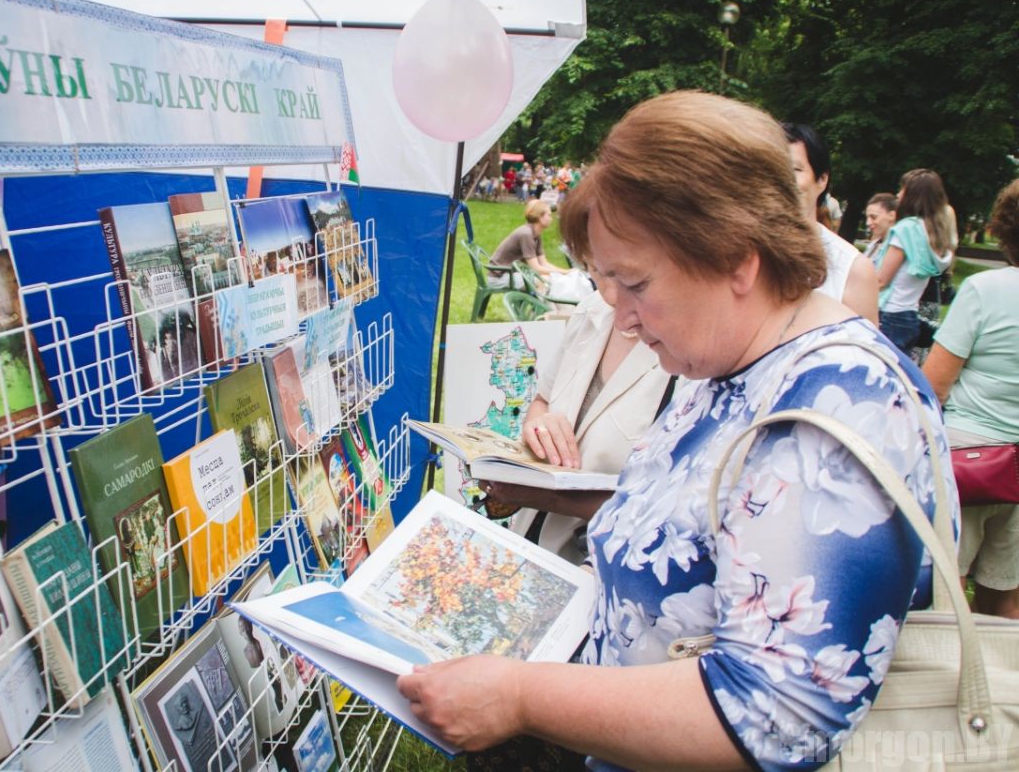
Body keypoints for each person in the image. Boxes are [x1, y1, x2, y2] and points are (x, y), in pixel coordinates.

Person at [398, 91, 953, 771]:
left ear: (737, 260)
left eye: (636, 284)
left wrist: (521, 698)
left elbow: (779, 717)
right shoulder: (729, 364)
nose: (622, 319)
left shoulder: (841, 405)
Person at [500, 187, 673, 564]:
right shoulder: (590, 312)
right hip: (531, 543)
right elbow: (544, 399)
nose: (610, 295)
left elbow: (671, 506)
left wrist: (542, 493)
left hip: (601, 566)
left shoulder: (686, 351)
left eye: (625, 275)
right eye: (594, 270)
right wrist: (540, 426)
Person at [923, 177, 1019, 618]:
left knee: (950, 588)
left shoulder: (986, 290)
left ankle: (960, 682)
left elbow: (935, 383)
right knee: (1007, 592)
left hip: (971, 456)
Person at [782, 122, 880, 323]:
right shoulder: (739, 256)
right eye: (773, 168)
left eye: (794, 169)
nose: (783, 179)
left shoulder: (852, 270)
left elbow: (862, 351)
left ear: (822, 180)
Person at [876, 168, 956, 352]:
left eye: (902, 189)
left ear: (914, 195)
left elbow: (881, 280)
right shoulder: (933, 232)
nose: (898, 194)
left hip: (888, 314)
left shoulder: (906, 230)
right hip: (910, 316)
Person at [487, 200, 567, 289]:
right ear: (540, 218)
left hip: (512, 274)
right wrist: (564, 273)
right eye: (549, 215)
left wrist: (565, 272)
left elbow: (544, 263)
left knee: (549, 279)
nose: (551, 218)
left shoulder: (536, 235)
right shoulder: (526, 234)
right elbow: (536, 269)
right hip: (500, 278)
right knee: (544, 280)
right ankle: (542, 303)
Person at [862, 191, 898, 260]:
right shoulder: (874, 245)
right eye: (867, 218)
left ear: (892, 215)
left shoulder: (897, 248)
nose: (868, 223)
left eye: (874, 217)